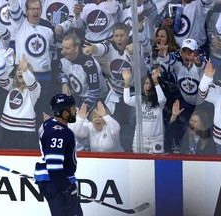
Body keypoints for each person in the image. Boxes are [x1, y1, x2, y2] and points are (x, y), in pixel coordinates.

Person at [82, 22, 148, 152]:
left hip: (134, 95)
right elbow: (101, 48)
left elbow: (137, 51)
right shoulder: (110, 47)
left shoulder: (135, 46)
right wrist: (92, 48)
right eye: (116, 36)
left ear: (127, 35)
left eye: (122, 35)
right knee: (113, 127)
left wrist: (132, 50)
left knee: (131, 127)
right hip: (115, 95)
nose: (119, 38)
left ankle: (130, 153)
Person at [8, 0, 56, 128]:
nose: (35, 11)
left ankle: (41, 140)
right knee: (25, 110)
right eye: (32, 9)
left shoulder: (47, 27)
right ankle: (26, 140)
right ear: (26, 11)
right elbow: (13, 7)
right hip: (24, 76)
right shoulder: (19, 24)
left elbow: (52, 48)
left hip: (45, 77)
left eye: (38, 8)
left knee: (43, 111)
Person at [34, 94, 83, 216]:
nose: (75, 111)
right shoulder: (59, 132)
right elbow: (54, 166)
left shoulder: (50, 123)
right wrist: (67, 188)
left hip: (55, 181)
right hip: (56, 183)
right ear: (65, 113)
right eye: (72, 109)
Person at [0, 54, 41, 149]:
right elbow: (2, 80)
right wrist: (10, 66)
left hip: (24, 130)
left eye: (23, 70)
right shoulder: (12, 86)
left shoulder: (34, 89)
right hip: (7, 128)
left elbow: (30, 82)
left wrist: (25, 70)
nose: (20, 72)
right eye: (18, 70)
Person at [122, 67, 167, 153]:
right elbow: (127, 100)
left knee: (156, 164)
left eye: (151, 84)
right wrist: (127, 82)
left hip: (157, 139)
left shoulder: (159, 102)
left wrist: (156, 82)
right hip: (140, 139)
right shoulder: (139, 99)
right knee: (139, 165)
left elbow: (162, 99)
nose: (148, 86)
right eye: (146, 83)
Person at [60, 33, 108, 111]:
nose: (63, 51)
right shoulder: (65, 57)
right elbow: (63, 72)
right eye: (63, 47)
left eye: (67, 48)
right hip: (78, 96)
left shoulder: (88, 64)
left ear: (76, 48)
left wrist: (81, 112)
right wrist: (64, 84)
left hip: (97, 99)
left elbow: (94, 93)